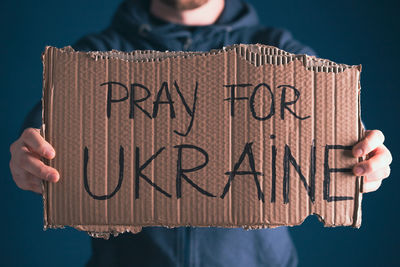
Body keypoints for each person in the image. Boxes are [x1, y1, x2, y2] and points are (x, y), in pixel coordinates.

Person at [9, 0, 392, 266]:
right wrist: (29, 159)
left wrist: (365, 163)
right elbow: (42, 135)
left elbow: (343, 138)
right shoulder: (95, 58)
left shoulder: (281, 54)